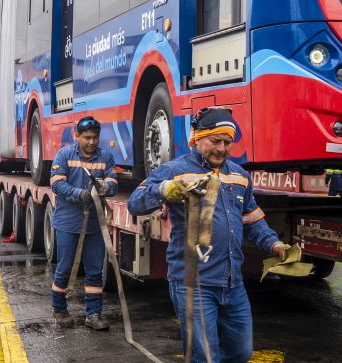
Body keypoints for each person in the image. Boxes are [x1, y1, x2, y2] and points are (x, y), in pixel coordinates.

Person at [128, 107, 287, 363]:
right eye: (215, 141)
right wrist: (164, 190)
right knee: (205, 357)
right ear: (198, 137)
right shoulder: (175, 170)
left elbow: (253, 220)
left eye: (227, 142)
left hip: (232, 283)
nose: (221, 148)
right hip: (193, 284)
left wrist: (274, 243)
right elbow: (135, 203)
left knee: (241, 352)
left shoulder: (239, 176)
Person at [48, 116, 117, 331]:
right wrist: (80, 194)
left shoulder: (105, 156)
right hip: (69, 222)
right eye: (87, 137)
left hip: (95, 225)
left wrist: (105, 188)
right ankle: (60, 310)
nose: (92, 142)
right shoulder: (65, 155)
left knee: (95, 270)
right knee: (65, 268)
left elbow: (112, 181)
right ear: (77, 136)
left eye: (95, 137)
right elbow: (56, 184)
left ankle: (93, 315)